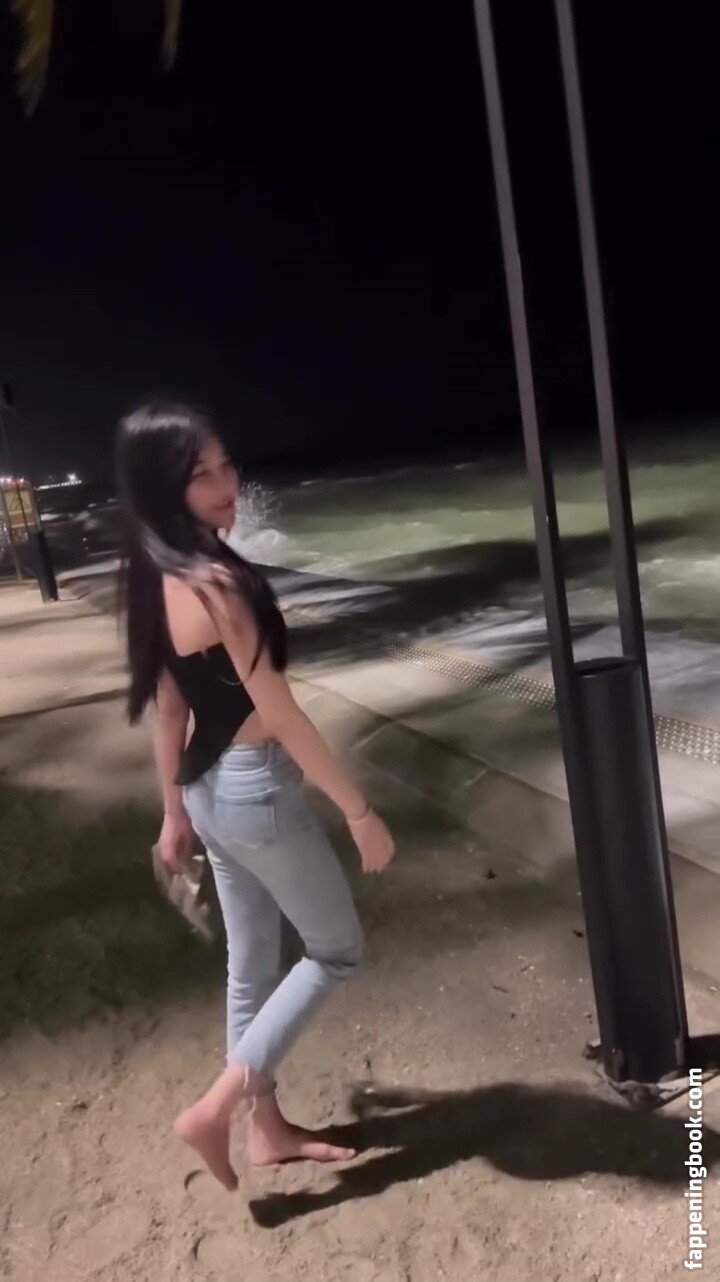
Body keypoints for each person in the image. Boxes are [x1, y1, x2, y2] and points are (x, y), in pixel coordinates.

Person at [115, 402, 395, 1192]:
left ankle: (265, 1130)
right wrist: (359, 811)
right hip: (254, 792)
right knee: (335, 950)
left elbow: (170, 708)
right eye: (199, 475)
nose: (225, 485)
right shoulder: (214, 583)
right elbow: (280, 711)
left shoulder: (155, 571)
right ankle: (217, 1108)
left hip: (209, 793)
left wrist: (174, 812)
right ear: (162, 487)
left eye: (226, 466)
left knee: (252, 964)